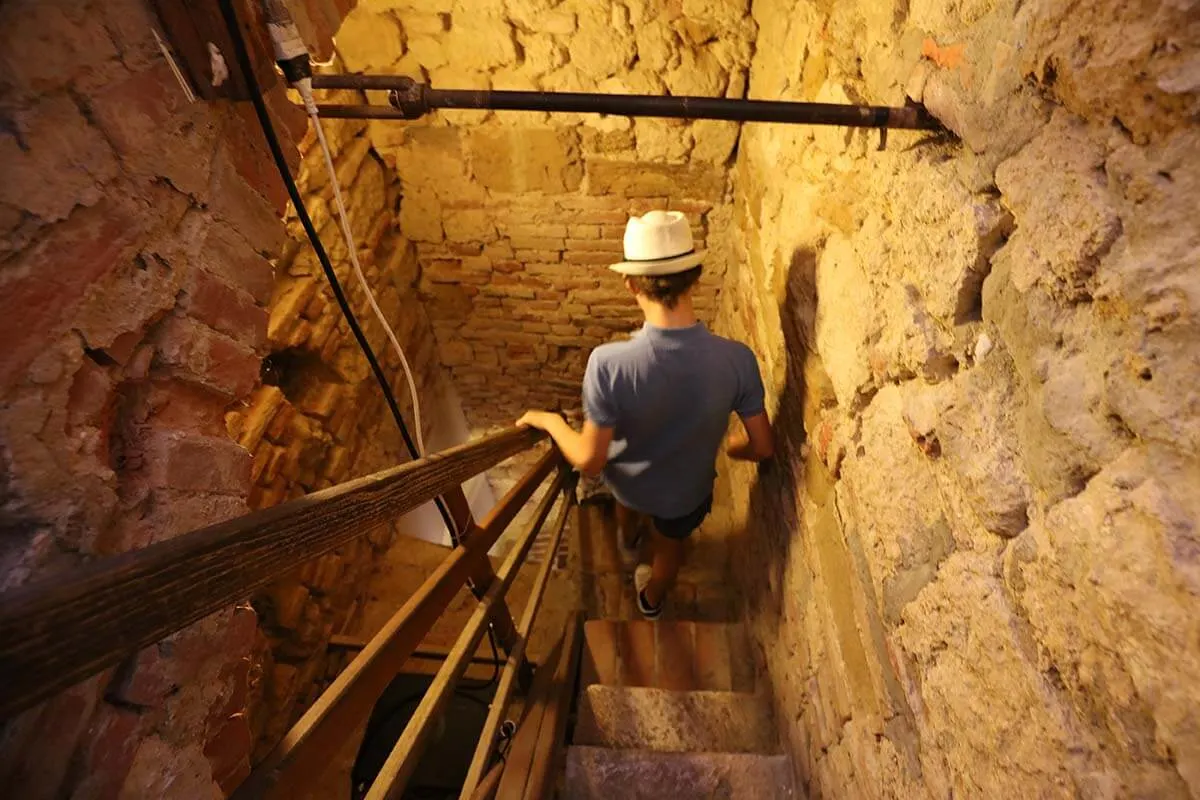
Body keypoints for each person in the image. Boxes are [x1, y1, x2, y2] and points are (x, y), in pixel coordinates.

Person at [517, 210, 774, 619]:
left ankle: (627, 540)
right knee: (670, 549)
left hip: (630, 484)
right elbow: (762, 445)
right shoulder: (737, 361)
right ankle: (651, 599)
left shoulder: (608, 364)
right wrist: (732, 447)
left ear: (630, 283)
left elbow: (589, 459)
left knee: (626, 505)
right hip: (685, 495)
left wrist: (549, 420)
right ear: (695, 276)